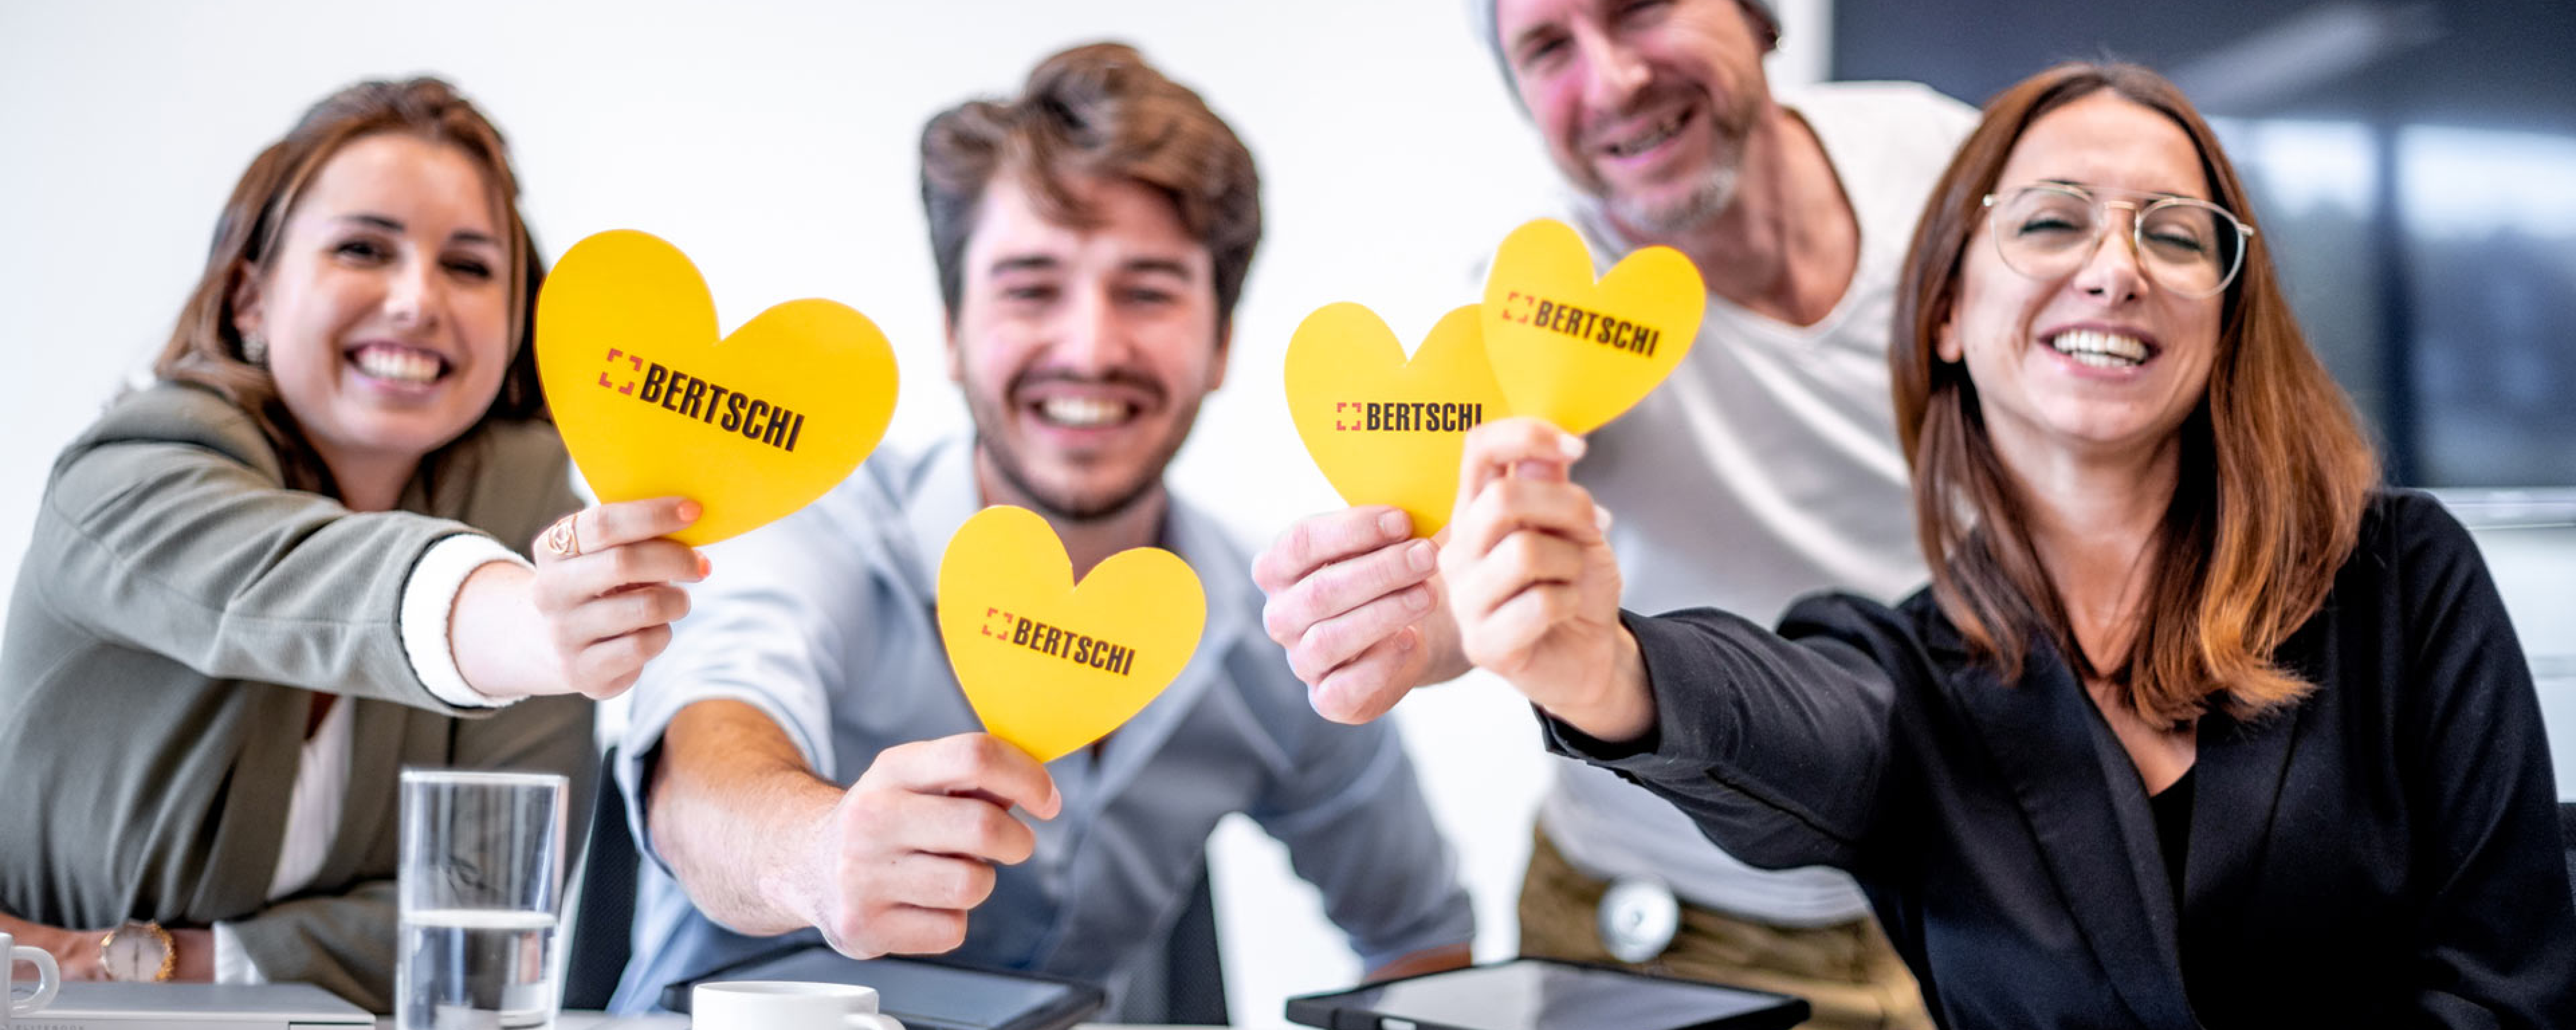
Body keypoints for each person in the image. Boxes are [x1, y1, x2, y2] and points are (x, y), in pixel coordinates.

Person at [1437, 61, 2576, 1027]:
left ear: (2226, 320)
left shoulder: (2400, 580)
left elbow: (2507, 983)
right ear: (1945, 312)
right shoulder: (1899, 674)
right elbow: (1779, 722)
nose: (2116, 268)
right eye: (2050, 220)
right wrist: (1610, 670)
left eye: (2175, 237)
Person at [611, 43, 1474, 1019]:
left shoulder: (1284, 621)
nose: (1091, 347)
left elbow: (1420, 940)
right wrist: (814, 852)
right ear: (952, 327)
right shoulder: (821, 535)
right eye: (1030, 286)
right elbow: (700, 772)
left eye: (1148, 290)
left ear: (1223, 342)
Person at [1253, 0, 1966, 1021]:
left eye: (1640, 10)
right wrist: (1420, 622)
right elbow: (1467, 564)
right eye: (1548, 49)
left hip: (1971, 890)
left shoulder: (1940, 162)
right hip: (1658, 933)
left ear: (1757, 16)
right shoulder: (1534, 309)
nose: (1613, 80)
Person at [0, 77, 704, 1013]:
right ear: (249, 298)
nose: (417, 301)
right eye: (364, 249)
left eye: (469, 266)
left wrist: (149, 957)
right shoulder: (131, 470)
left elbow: (492, 910)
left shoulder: (527, 497)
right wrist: (522, 623)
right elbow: (285, 582)